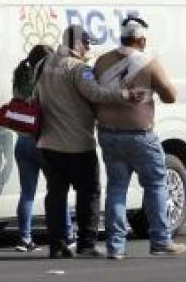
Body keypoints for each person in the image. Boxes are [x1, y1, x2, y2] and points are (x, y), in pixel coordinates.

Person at [37, 25, 138, 259]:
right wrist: (123, 95)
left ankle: (57, 245)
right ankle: (86, 244)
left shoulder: (45, 64)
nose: (89, 47)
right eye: (86, 42)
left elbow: (36, 96)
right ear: (76, 43)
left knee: (56, 196)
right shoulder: (78, 68)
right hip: (77, 144)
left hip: (49, 143)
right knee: (90, 192)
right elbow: (95, 94)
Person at [93, 17, 186, 260]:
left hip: (109, 134)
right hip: (140, 136)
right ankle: (160, 241)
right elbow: (171, 95)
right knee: (155, 185)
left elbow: (94, 95)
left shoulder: (102, 62)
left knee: (116, 188)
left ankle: (115, 247)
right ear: (142, 39)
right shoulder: (148, 62)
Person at [10, 45, 73, 252]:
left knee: (27, 193)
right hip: (45, 142)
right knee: (57, 190)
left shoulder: (19, 76)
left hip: (22, 142)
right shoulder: (47, 78)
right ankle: (68, 234)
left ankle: (24, 239)